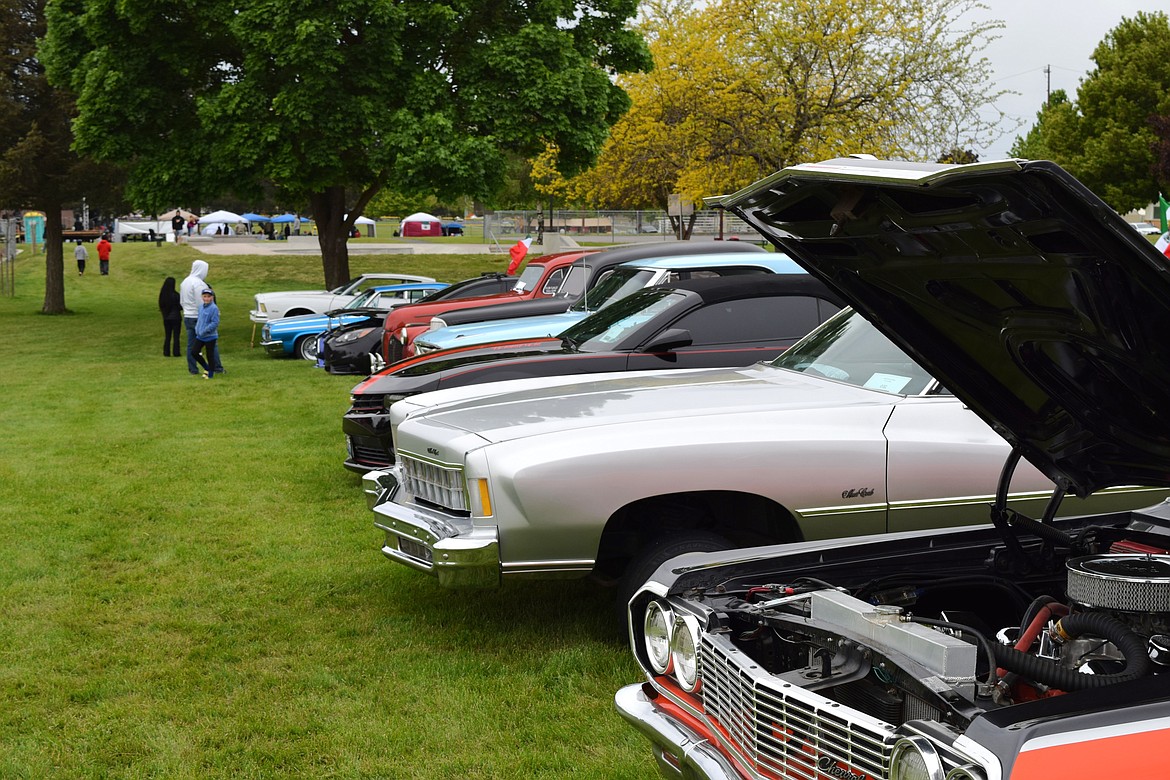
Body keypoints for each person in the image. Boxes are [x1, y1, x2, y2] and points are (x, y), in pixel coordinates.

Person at [180, 260, 224, 375]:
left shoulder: (185, 282)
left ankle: (193, 369)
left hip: (187, 315)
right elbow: (203, 303)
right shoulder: (199, 284)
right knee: (211, 342)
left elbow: (181, 301)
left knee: (191, 344)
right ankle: (217, 367)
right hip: (198, 316)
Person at [192, 289, 221, 378]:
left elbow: (215, 322)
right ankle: (206, 367)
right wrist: (197, 329)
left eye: (209, 297)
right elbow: (200, 320)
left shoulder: (214, 308)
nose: (207, 298)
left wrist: (205, 330)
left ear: (212, 297)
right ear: (202, 297)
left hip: (210, 336)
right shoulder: (201, 307)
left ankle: (211, 374)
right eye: (205, 296)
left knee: (210, 355)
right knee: (194, 352)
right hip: (200, 335)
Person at [158, 276, 183, 356]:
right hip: (176, 317)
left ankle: (166, 352)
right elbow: (180, 306)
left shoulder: (163, 296)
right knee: (176, 336)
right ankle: (176, 352)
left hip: (166, 317)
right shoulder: (176, 295)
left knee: (167, 335)